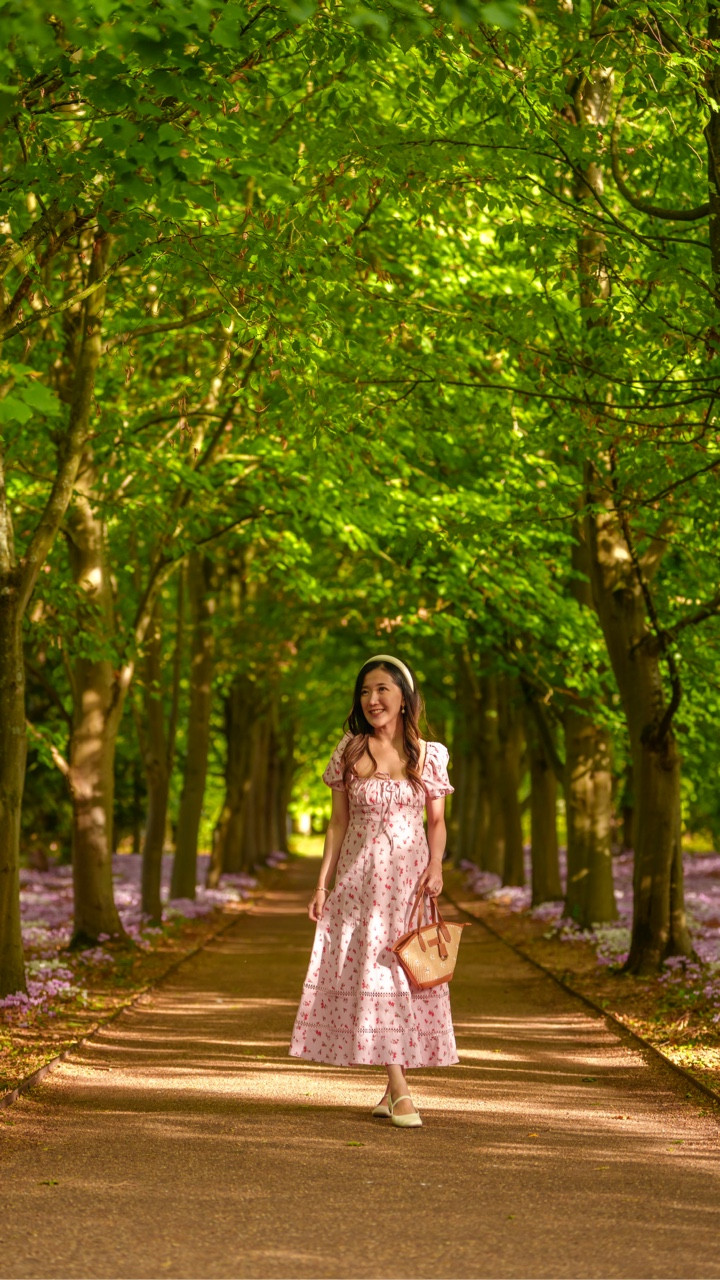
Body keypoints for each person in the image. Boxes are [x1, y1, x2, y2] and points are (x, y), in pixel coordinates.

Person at [289, 654, 458, 1128]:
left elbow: (437, 823)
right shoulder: (349, 751)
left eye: (382, 689)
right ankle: (400, 1090)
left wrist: (436, 865)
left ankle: (390, 1089)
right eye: (365, 691)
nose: (372, 699)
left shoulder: (429, 755)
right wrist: (322, 884)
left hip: (409, 886)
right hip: (360, 886)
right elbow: (337, 823)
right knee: (379, 976)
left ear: (404, 697)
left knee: (406, 976)